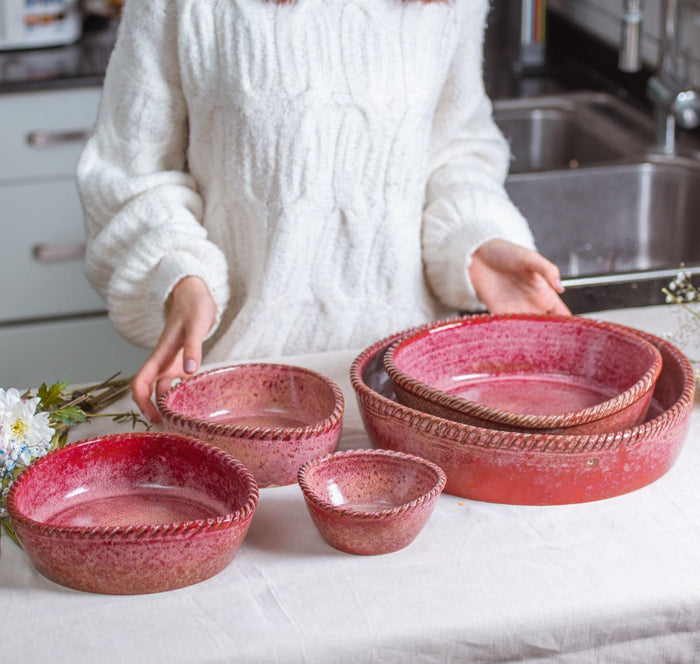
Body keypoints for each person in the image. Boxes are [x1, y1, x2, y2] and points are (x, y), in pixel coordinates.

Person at [77, 0, 570, 424]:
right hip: (238, 404)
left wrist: (476, 238)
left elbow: (454, 148)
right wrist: (183, 277)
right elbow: (129, 172)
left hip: (409, 399)